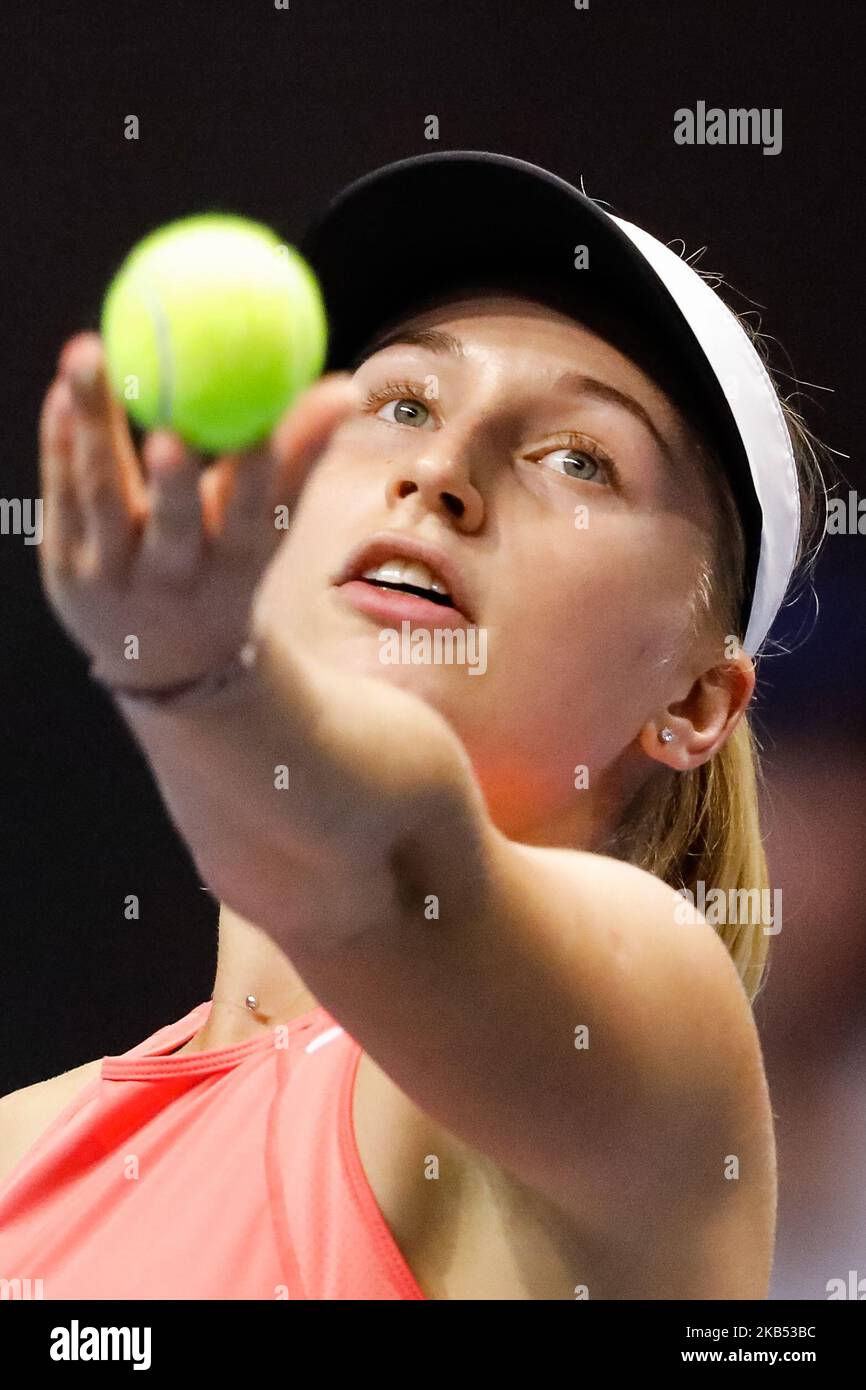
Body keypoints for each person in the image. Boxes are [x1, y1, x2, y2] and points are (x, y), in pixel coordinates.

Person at [0, 152, 829, 1299]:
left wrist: (198, 680)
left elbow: (379, 863)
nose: (441, 467)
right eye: (399, 403)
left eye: (579, 458)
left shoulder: (652, 1042)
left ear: (694, 701)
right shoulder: (17, 1147)